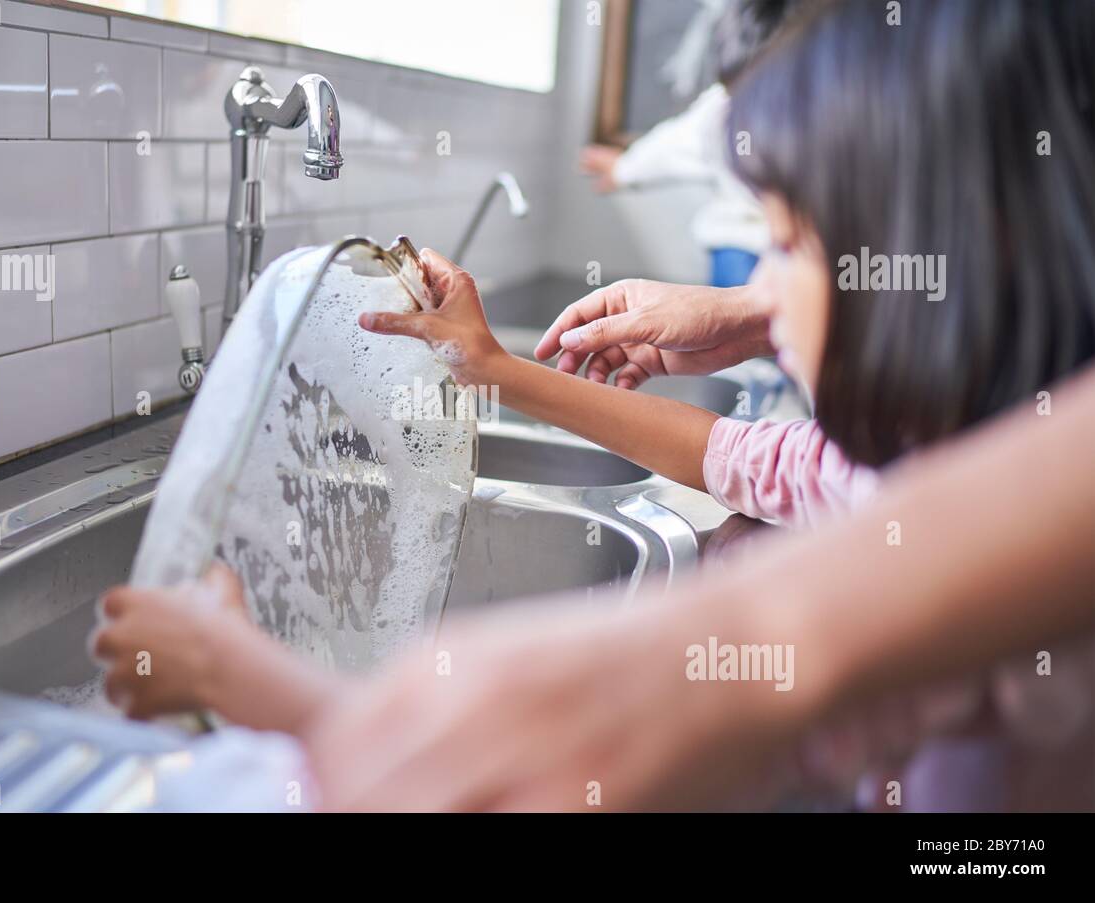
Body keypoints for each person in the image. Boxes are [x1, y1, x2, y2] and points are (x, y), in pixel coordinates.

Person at [91, 0, 1095, 808]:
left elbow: (535, 753)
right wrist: (491, 365)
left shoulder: (988, 609)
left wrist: (241, 680)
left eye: (787, 245)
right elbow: (748, 457)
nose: (761, 293)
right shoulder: (934, 476)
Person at [580, 0, 804, 286]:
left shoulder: (829, 112)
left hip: (803, 246)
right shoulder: (718, 110)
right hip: (740, 239)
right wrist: (624, 168)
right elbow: (672, 146)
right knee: (733, 311)